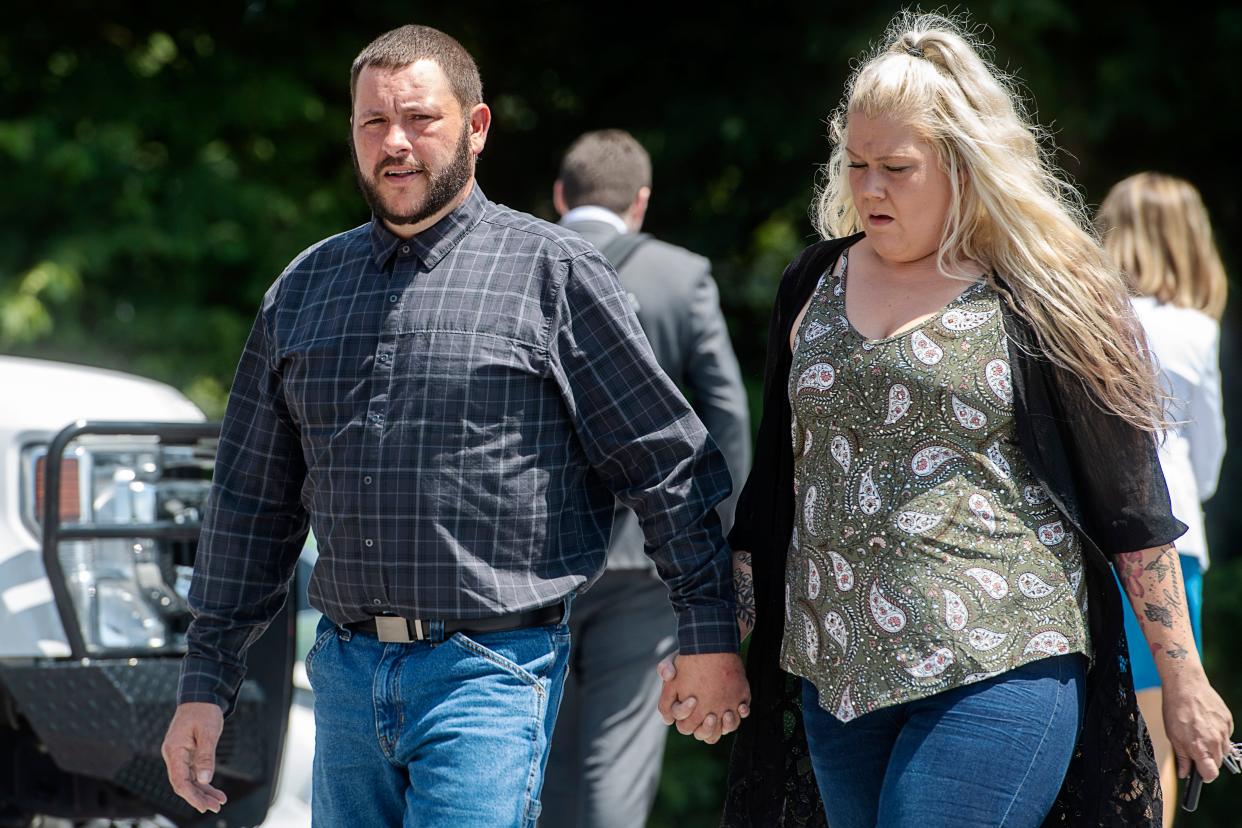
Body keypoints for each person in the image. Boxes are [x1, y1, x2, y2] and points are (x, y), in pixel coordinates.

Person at [158, 25, 749, 828]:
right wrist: (204, 683)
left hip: (491, 671)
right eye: (374, 123)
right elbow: (249, 506)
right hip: (341, 671)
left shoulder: (555, 274)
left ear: (476, 128)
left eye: (420, 119)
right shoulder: (302, 290)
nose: (395, 143)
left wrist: (708, 634)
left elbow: (665, 463)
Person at [661, 11, 1233, 827]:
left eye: (897, 167)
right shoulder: (811, 283)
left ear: (965, 166)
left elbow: (1132, 505)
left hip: (1003, 659)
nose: (868, 188)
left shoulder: (1044, 292)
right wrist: (718, 640)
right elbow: (776, 493)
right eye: (855, 164)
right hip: (837, 674)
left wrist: (1184, 679)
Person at [541, 129, 752, 828]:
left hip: (533, 560)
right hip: (647, 561)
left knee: (531, 750)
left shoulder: (517, 262)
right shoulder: (678, 274)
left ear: (560, 197)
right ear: (641, 202)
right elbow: (725, 414)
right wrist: (719, 547)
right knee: (617, 759)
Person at [1098, 172, 1228, 827]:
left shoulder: (1086, 318)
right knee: (1155, 730)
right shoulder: (1194, 332)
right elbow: (1207, 459)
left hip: (1094, 539)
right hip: (1171, 550)